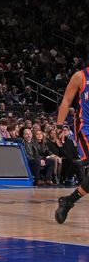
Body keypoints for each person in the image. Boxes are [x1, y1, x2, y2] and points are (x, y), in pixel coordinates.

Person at [55, 67, 89, 223]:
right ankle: (68, 202)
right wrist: (59, 126)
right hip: (85, 128)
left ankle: (68, 201)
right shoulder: (80, 76)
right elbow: (66, 101)